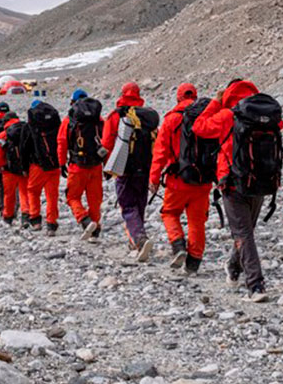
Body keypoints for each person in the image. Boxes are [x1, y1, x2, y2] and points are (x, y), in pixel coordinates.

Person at [192, 79, 280, 302]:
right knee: (246, 229)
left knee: (242, 232)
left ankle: (256, 285)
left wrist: (216, 102)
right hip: (262, 179)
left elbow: (199, 127)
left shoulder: (228, 115)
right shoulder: (267, 116)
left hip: (232, 182)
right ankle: (233, 267)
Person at [149, 83, 211, 273]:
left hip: (177, 180)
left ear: (178, 98)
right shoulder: (206, 116)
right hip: (203, 179)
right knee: (197, 221)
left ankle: (178, 246)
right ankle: (194, 262)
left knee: (170, 213)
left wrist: (154, 178)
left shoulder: (171, 119)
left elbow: (160, 152)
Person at [102, 82, 159, 262]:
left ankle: (139, 239)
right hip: (145, 167)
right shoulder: (147, 117)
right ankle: (136, 237)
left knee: (127, 205)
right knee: (140, 202)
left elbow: (107, 143)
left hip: (124, 168)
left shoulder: (116, 116)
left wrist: (108, 166)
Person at [58, 89, 106, 241]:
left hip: (77, 165)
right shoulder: (99, 119)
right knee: (95, 199)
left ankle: (85, 220)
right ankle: (95, 230)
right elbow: (107, 142)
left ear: (72, 102)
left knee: (72, 197)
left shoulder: (69, 120)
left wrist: (61, 163)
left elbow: (61, 143)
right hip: (96, 165)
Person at [25, 99, 63, 234]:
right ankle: (51, 224)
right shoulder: (54, 123)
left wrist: (24, 167)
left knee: (33, 191)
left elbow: (26, 147)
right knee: (52, 195)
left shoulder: (31, 126)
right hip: (54, 164)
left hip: (37, 165)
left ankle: (35, 220)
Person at [0, 111, 31, 227]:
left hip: (8, 170)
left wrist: (1, 166)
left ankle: (8, 217)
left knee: (9, 195)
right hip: (24, 168)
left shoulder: (3, 134)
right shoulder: (26, 130)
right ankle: (25, 215)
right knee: (25, 193)